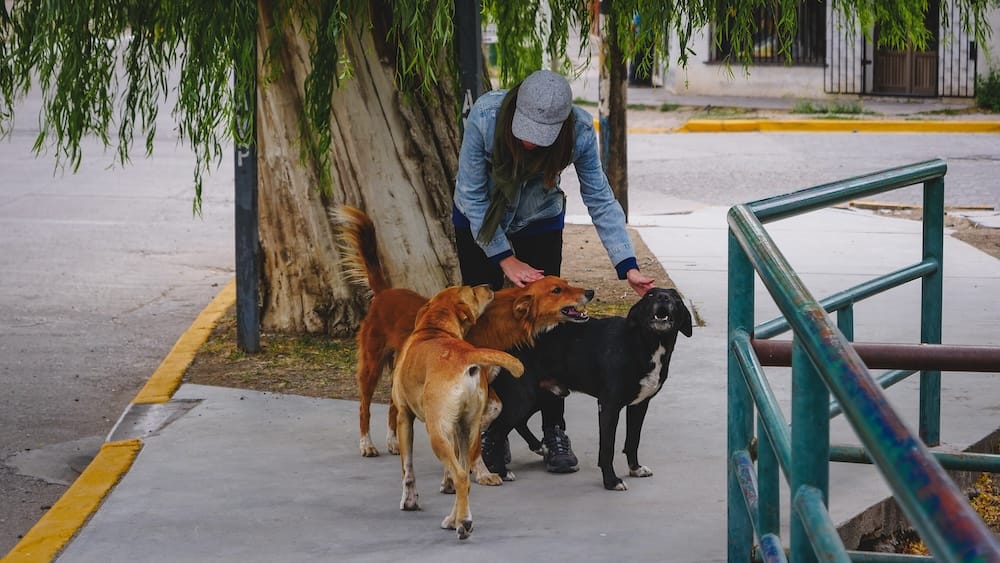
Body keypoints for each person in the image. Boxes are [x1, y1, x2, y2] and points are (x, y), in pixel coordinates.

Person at [452, 69, 655, 474]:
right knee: (483, 329)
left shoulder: (579, 131)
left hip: (540, 221)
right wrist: (504, 259)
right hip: (480, 226)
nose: (530, 143)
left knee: (553, 326)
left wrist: (626, 264)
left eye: (542, 136)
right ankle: (486, 431)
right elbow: (471, 196)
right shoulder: (486, 118)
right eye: (527, 131)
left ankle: (553, 428)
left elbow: (599, 196)